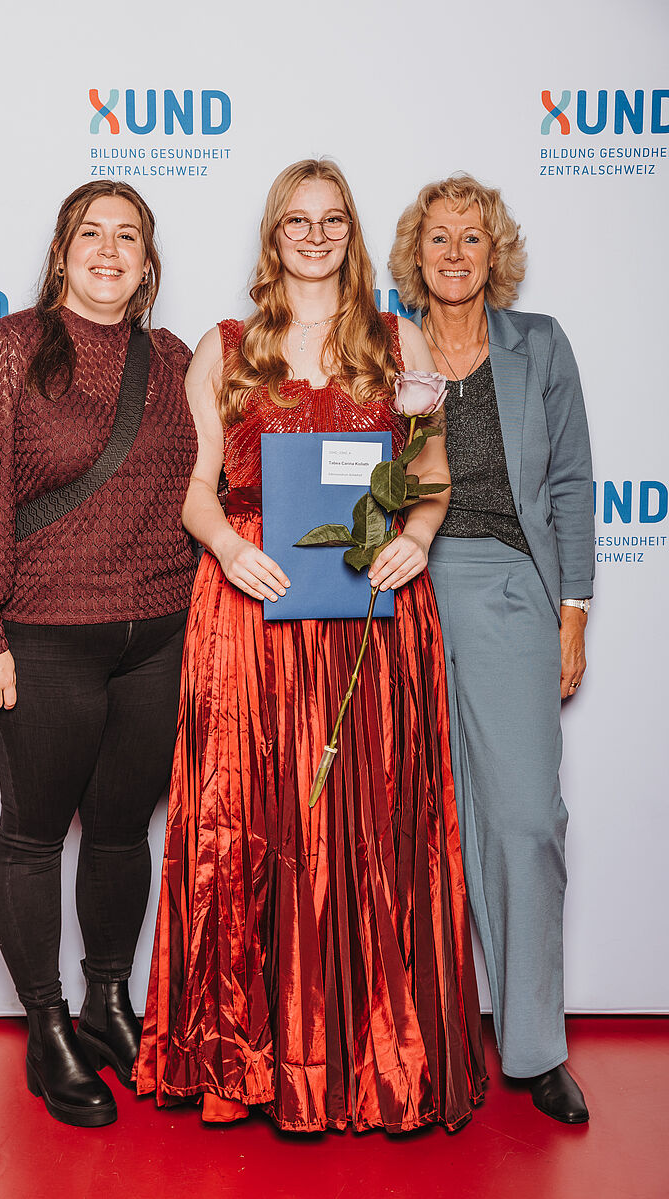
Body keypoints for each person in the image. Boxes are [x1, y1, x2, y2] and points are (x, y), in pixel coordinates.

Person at [136, 159, 486, 1133]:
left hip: (369, 616)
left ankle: (365, 1061)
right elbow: (196, 490)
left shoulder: (397, 341)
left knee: (364, 830)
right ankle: (240, 1057)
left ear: (351, 233)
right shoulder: (226, 347)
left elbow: (431, 473)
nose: (316, 234)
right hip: (252, 607)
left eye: (333, 219)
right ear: (273, 234)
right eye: (298, 219)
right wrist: (227, 547)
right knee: (247, 828)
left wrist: (418, 537)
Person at [0, 180, 197, 1127]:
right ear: (61, 251)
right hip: (41, 639)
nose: (110, 250)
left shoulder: (173, 357)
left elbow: (213, 478)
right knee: (36, 832)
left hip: (160, 633)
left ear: (149, 260)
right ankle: (47, 1030)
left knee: (122, 831)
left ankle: (107, 1004)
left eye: (129, 236)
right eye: (92, 233)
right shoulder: (1, 351)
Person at [389, 173, 594, 1123]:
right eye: (439, 237)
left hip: (511, 584)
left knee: (523, 820)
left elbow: (573, 482)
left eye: (473, 238)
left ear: (495, 252)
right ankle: (407, 1041)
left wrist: (573, 609)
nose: (456, 253)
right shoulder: (385, 346)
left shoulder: (539, 344)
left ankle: (535, 1045)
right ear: (415, 254)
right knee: (410, 820)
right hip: (405, 585)